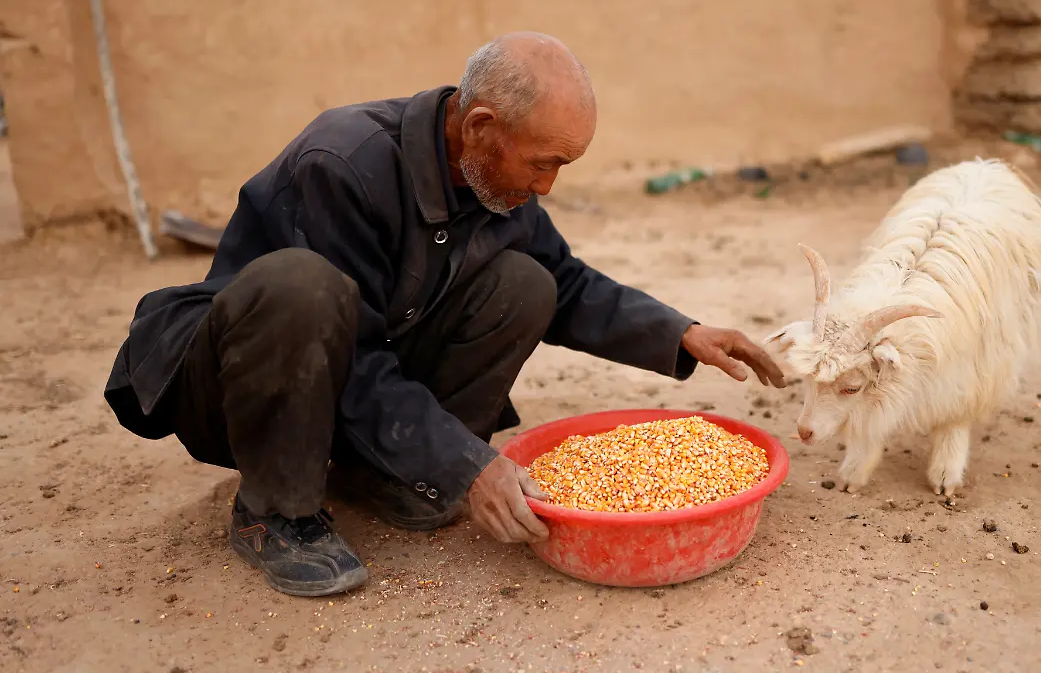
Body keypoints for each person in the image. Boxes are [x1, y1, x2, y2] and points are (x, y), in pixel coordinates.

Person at [103, 32, 785, 597]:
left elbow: (566, 283)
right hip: (246, 384)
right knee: (301, 287)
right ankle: (274, 511)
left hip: (356, 370)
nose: (548, 186)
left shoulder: (493, 179)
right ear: (482, 126)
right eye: (544, 165)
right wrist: (467, 463)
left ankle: (389, 476)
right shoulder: (342, 164)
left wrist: (681, 333)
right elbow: (355, 358)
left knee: (525, 282)